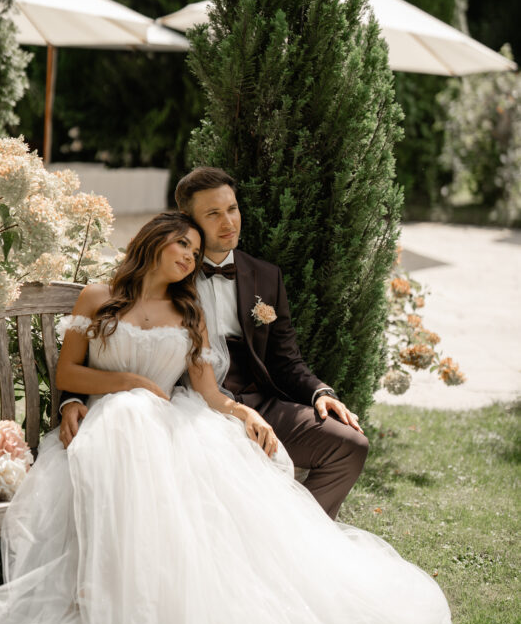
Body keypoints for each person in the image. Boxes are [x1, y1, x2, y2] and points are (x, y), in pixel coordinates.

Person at [0, 212, 454, 624]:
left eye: (195, 252)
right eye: (183, 245)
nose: (190, 258)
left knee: (159, 437)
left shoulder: (189, 312)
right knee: (130, 413)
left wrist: (245, 414)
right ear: (155, 241)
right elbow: (68, 373)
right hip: (107, 428)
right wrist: (119, 386)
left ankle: (161, 613)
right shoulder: (97, 298)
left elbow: (209, 392)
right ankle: (101, 604)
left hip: (166, 423)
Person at [61, 166, 368, 519]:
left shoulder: (265, 276)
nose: (228, 222)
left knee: (350, 445)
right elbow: (112, 342)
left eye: (232, 209)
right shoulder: (164, 272)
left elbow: (286, 359)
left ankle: (302, 531)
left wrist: (319, 392)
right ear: (186, 219)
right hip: (187, 407)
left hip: (252, 401)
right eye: (213, 214)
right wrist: (72, 398)